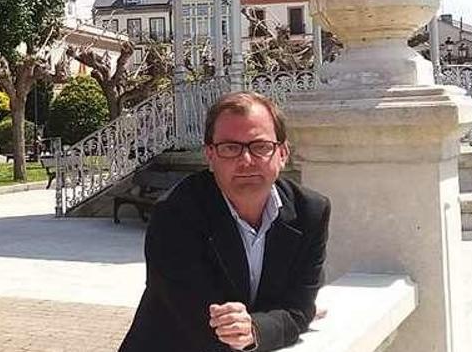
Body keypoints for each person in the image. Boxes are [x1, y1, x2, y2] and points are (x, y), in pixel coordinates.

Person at [119, 92, 331, 352]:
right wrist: (265, 324)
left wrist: (255, 329)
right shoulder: (175, 214)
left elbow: (299, 309)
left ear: (283, 153)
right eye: (230, 148)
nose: (246, 160)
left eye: (260, 146)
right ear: (210, 155)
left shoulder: (310, 212)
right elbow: (200, 321)